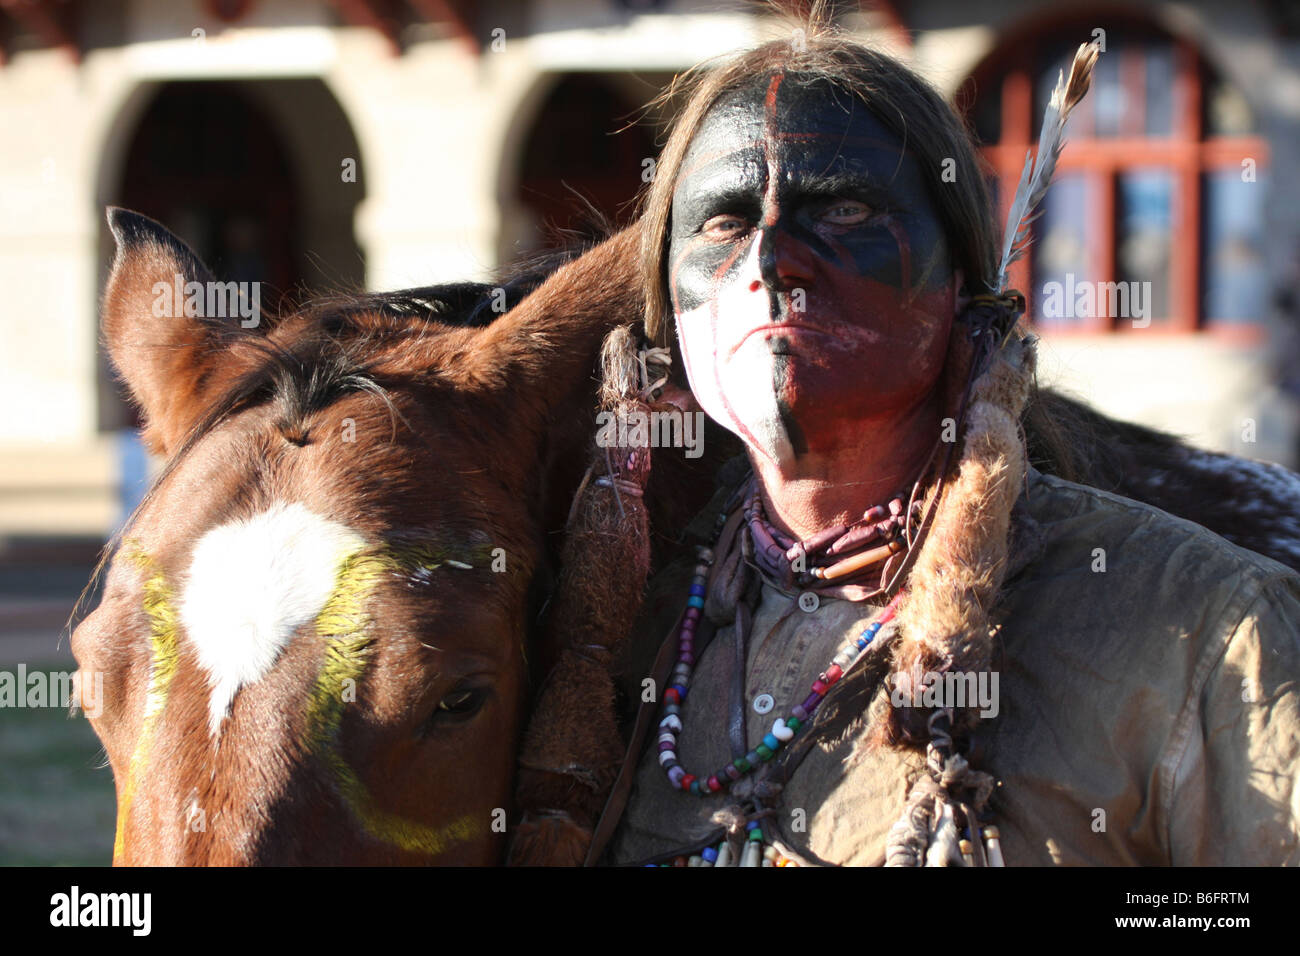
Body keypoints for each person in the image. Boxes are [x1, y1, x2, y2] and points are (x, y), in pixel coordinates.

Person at [561, 21, 1300, 867]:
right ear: (667, 315)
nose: (771, 258)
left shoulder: (1209, 624)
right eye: (725, 224)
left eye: (842, 208)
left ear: (963, 286)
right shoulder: (619, 634)